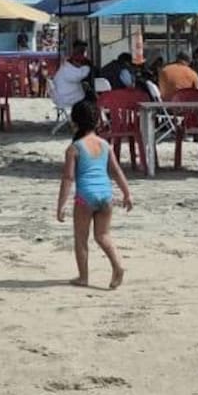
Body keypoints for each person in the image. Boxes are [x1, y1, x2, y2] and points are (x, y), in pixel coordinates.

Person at [55, 99, 132, 289]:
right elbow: (116, 171)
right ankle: (118, 265)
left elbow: (68, 178)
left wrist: (61, 205)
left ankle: (83, 277)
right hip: (106, 196)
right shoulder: (105, 145)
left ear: (74, 122)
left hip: (85, 197)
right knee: (103, 235)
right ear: (97, 121)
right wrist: (127, 193)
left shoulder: (74, 148)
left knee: (81, 239)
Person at [52, 40, 93, 109]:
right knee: (90, 96)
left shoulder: (69, 61)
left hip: (64, 94)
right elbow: (77, 76)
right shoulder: (72, 62)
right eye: (81, 49)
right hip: (68, 97)